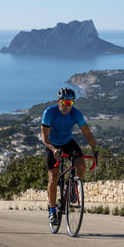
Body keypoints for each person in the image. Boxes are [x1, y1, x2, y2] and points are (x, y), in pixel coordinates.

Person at [41, 87, 98, 224]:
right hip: (52, 144)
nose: (67, 106)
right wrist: (54, 150)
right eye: (65, 103)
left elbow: (88, 134)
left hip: (68, 142)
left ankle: (71, 186)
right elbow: (44, 137)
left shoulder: (76, 114)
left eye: (70, 103)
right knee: (53, 177)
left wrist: (95, 151)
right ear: (58, 101)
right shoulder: (49, 113)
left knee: (81, 166)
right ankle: (52, 210)